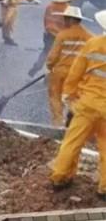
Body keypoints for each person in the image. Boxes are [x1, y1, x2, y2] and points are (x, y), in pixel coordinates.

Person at [48, 10, 106, 198]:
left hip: (87, 104)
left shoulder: (93, 44)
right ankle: (104, 188)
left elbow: (76, 72)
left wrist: (69, 96)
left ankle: (60, 177)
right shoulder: (88, 37)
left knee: (72, 142)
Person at [44, 6, 94, 126]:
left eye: (66, 18)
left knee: (56, 98)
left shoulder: (63, 35)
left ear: (71, 19)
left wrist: (50, 66)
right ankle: (73, 124)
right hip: (79, 74)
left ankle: (58, 124)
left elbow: (53, 56)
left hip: (61, 72)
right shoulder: (90, 36)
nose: (64, 21)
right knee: (74, 98)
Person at [29, 0, 85, 77]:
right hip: (60, 37)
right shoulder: (68, 9)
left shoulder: (50, 6)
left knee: (46, 51)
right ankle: (50, 75)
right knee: (58, 57)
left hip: (48, 34)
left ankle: (37, 67)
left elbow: (45, 19)